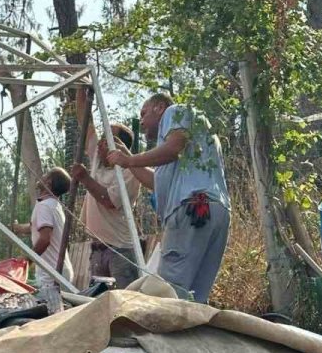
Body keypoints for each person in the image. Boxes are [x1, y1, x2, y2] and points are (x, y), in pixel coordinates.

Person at [105, 93, 230, 304]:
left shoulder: (175, 112)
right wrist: (128, 160)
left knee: (169, 292)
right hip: (212, 210)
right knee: (195, 297)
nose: (142, 122)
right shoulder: (189, 146)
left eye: (143, 114)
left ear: (160, 107)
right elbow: (156, 182)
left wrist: (130, 159)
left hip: (192, 209)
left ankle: (164, 336)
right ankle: (193, 335)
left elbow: (174, 148)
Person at [70, 86, 142, 289]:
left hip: (120, 251)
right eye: (103, 138)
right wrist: (81, 89)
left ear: (118, 145)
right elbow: (86, 123)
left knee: (125, 303)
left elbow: (110, 201)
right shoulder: (97, 160)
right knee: (100, 302)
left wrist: (84, 178)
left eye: (108, 139)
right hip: (98, 249)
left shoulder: (129, 171)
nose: (101, 142)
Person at [14, 167, 73, 313]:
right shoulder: (54, 205)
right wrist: (17, 228)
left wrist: (27, 260)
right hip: (59, 271)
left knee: (52, 318)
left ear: (49, 182)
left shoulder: (44, 206)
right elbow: (35, 227)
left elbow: (45, 239)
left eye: (46, 175)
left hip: (51, 274)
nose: (42, 176)